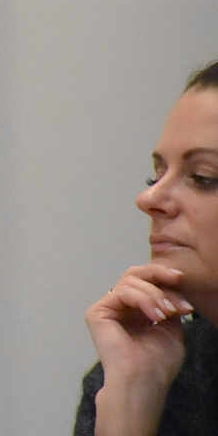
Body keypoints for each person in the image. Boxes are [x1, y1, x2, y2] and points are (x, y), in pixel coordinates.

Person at [75, 58, 218, 436]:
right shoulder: (154, 369)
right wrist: (132, 400)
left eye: (203, 177)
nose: (148, 199)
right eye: (156, 176)